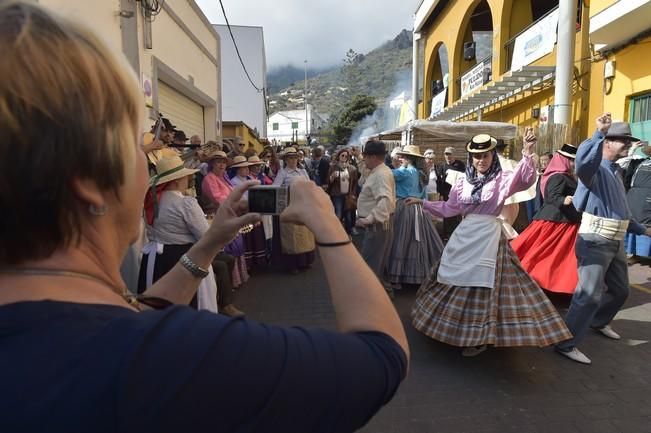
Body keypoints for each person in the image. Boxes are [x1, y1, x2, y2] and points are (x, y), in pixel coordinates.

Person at [0, 3, 409, 431]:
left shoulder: (51, 336)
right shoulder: (175, 359)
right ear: (87, 180)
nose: (148, 167)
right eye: (138, 149)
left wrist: (208, 243)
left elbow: (140, 314)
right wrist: (327, 225)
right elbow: (381, 356)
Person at [408, 131, 572, 357]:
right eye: (476, 156)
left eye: (485, 155)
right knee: (453, 278)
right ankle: (453, 328)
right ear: (470, 158)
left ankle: (479, 336)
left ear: (492, 155)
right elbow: (450, 208)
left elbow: (525, 179)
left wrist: (527, 151)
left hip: (489, 238)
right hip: (465, 236)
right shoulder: (462, 181)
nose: (481, 160)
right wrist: (423, 203)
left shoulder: (502, 179)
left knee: (484, 287)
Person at [555, 115, 651, 365]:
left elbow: (620, 212)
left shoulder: (616, 171)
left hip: (614, 240)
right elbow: (583, 163)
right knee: (588, 295)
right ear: (607, 143)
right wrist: (598, 133)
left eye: (629, 141)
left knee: (620, 290)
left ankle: (598, 322)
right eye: (623, 140)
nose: (628, 145)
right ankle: (566, 343)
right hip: (595, 240)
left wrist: (643, 230)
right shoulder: (594, 169)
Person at [138, 155, 243, 316]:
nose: (189, 178)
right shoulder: (185, 203)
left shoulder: (153, 202)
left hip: (155, 259)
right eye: (185, 176)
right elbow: (206, 237)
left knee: (159, 309)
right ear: (175, 180)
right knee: (187, 308)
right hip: (182, 259)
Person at [511, 144, 580, 294]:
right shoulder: (558, 176)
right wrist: (564, 200)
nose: (574, 163)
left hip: (565, 222)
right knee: (542, 255)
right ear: (563, 159)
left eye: (574, 160)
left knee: (557, 259)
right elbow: (552, 196)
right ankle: (531, 282)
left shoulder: (567, 176)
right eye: (571, 160)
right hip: (556, 222)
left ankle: (555, 287)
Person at [385, 145, 444, 289]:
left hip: (405, 207)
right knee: (416, 242)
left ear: (409, 158)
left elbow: (385, 174)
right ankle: (418, 275)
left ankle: (397, 277)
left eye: (403, 156)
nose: (400, 159)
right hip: (418, 208)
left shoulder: (404, 172)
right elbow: (423, 195)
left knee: (400, 240)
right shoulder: (421, 173)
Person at [201, 149, 250, 288]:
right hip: (219, 216)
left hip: (230, 214)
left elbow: (232, 194)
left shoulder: (224, 177)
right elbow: (217, 199)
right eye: (218, 162)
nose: (221, 165)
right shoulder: (209, 178)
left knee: (237, 246)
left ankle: (236, 279)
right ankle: (230, 282)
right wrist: (235, 203)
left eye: (223, 162)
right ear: (212, 164)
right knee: (229, 247)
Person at [355, 141, 396, 288]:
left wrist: (369, 219)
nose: (364, 159)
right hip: (380, 225)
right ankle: (381, 295)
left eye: (365, 156)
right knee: (377, 263)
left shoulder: (380, 175)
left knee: (371, 264)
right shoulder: (379, 171)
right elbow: (365, 175)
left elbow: (385, 200)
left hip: (377, 226)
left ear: (372, 157)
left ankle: (372, 301)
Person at [272, 147, 316, 273]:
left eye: (295, 158)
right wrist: (288, 191)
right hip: (289, 205)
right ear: (286, 160)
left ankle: (305, 261)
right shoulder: (283, 173)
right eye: (290, 158)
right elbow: (275, 188)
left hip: (303, 205)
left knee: (305, 234)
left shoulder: (302, 171)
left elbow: (310, 185)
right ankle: (293, 265)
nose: (293, 160)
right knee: (291, 236)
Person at [229, 156, 268, 271]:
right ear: (238, 169)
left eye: (247, 167)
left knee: (256, 237)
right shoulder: (234, 182)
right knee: (248, 238)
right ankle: (250, 264)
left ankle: (258, 262)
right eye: (243, 168)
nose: (246, 170)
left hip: (253, 209)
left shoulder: (247, 180)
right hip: (244, 212)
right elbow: (242, 198)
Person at [619, 141, 651, 261]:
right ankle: (633, 252)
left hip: (648, 197)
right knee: (634, 222)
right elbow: (624, 165)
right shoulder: (640, 162)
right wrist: (632, 150)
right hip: (635, 197)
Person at [435, 146, 465, 240]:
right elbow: (439, 181)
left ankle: (456, 234)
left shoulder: (460, 165)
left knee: (456, 214)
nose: (448, 156)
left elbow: (464, 178)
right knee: (446, 214)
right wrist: (440, 193)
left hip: (457, 194)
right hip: (446, 193)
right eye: (446, 154)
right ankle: (446, 234)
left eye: (449, 154)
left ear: (454, 155)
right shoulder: (442, 166)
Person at [327, 148, 359, 234]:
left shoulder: (352, 169)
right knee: (338, 214)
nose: (344, 157)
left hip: (348, 195)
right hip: (337, 194)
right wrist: (332, 177)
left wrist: (353, 193)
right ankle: (336, 231)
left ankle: (349, 231)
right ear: (339, 156)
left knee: (348, 214)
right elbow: (328, 182)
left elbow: (355, 182)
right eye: (342, 155)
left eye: (346, 156)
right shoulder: (333, 167)